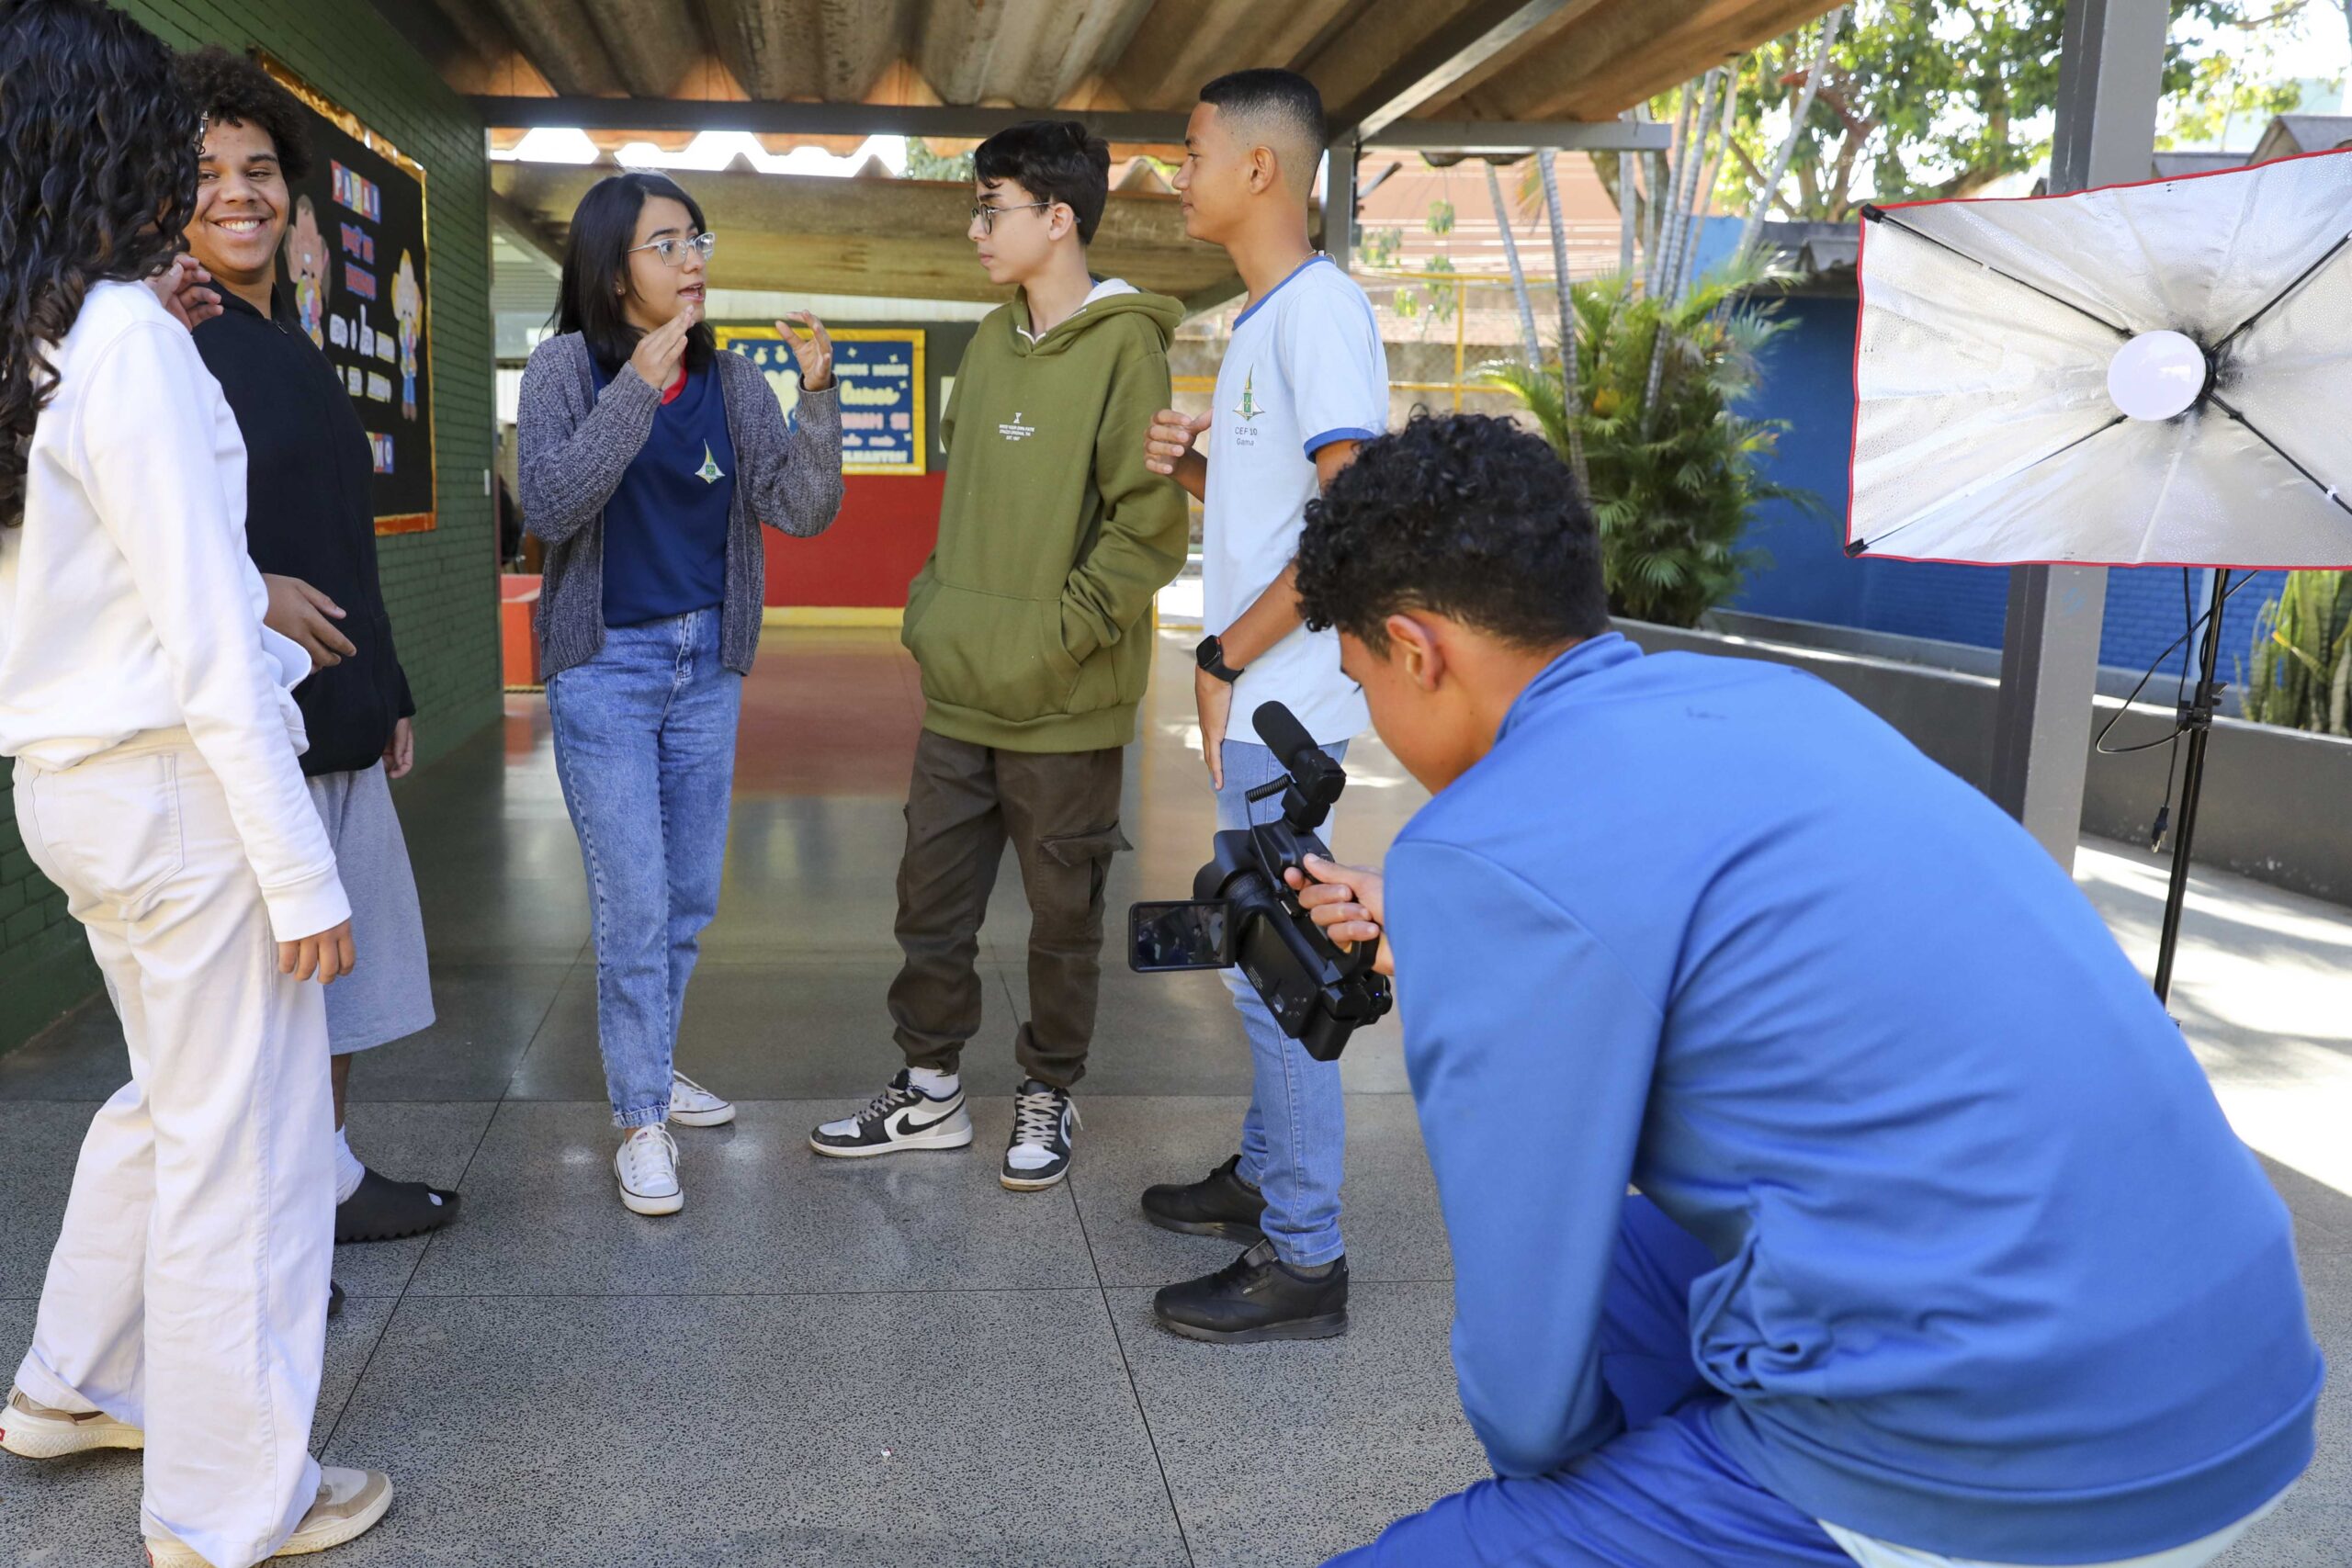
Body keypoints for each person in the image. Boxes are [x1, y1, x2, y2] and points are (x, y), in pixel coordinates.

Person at [1277, 412, 2321, 1568]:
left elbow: (1525, 1380)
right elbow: (1676, 929)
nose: (1371, 718)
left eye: (1360, 676)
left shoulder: (1481, 846)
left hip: (2034, 1462)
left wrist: (1577, 1503)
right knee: (1626, 1269)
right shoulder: (1772, 703)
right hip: (2243, 1368)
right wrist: (1452, 928)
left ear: (1416, 650)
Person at [0, 4, 395, 1564]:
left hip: (73, 785)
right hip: (178, 789)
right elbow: (205, 636)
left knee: (178, 1102)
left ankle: (70, 1381)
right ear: (113, 138)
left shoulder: (39, 338)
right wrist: (302, 872)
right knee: (252, 1150)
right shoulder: (129, 353)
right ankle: (232, 1502)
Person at [808, 121, 1187, 1190]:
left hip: (1064, 701)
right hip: (959, 693)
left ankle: (1048, 1092)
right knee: (929, 906)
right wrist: (937, 609)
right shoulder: (986, 338)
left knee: (1062, 920)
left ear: (1057, 218)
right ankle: (927, 1094)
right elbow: (964, 506)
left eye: (992, 206)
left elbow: (1148, 529)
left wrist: (1057, 637)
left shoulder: (1126, 346)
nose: (976, 227)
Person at [518, 172, 842, 1216]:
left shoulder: (736, 379)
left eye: (697, 239)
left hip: (707, 668)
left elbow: (802, 509)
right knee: (634, 903)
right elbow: (555, 503)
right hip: (604, 667)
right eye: (668, 244)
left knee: (689, 901)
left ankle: (649, 1069)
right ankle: (637, 1120)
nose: (694, 258)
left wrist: (820, 393)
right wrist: (633, 393)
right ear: (616, 272)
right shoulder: (563, 368)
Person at [178, 45, 457, 1250]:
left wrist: (384, 682)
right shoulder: (163, 342)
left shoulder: (286, 341)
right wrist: (249, 596)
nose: (240, 190)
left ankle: (327, 1179)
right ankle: (270, 1221)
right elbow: (151, 544)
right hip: (251, 730)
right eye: (206, 172)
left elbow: (341, 537)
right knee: (271, 1003)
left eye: (260, 168)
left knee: (336, 996)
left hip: (335, 714)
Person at [1136, 69, 1388, 1340]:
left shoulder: (1319, 311)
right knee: (1257, 944)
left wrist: (1228, 654)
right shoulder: (1259, 322)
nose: (1173, 172)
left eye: (1190, 150)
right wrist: (1197, 474)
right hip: (1261, 690)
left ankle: (1306, 1253)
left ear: (1260, 171)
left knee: (1280, 966)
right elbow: (1280, 521)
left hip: (1282, 703)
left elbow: (1356, 516)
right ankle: (1265, 1173)